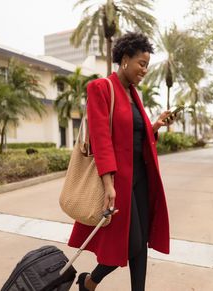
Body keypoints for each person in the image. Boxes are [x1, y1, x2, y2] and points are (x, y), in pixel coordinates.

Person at [68, 32, 172, 291]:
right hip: (119, 181)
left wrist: (156, 124)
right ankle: (90, 282)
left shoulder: (134, 94)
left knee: (142, 243)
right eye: (142, 63)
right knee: (132, 243)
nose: (145, 70)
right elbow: (102, 138)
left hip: (141, 179)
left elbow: (135, 134)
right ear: (125, 59)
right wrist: (108, 184)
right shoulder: (101, 88)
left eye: (147, 65)